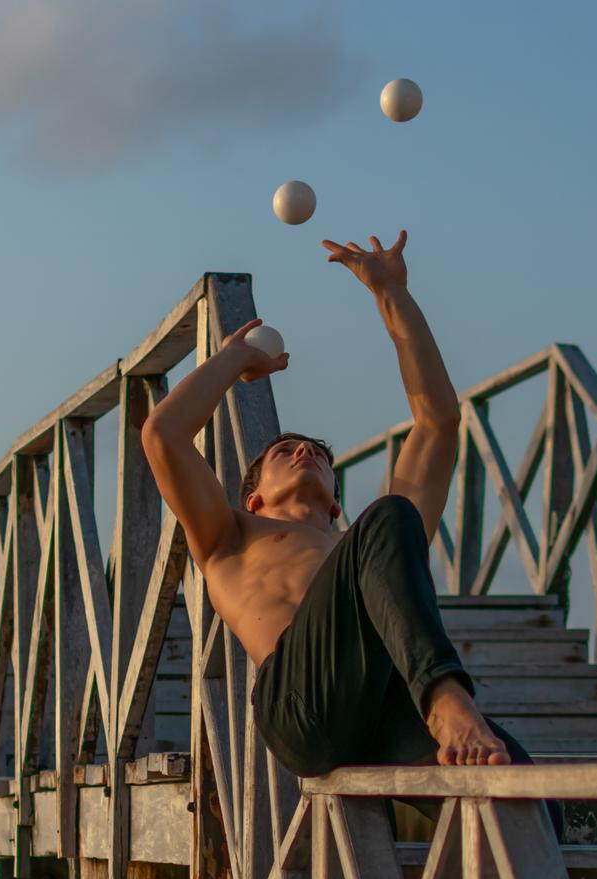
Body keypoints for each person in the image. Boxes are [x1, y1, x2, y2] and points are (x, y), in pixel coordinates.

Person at [141, 229, 561, 833]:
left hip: (382, 704)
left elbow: (438, 424)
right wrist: (236, 358)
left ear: (336, 504)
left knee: (511, 791)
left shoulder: (359, 549)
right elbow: (163, 436)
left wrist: (391, 294)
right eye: (289, 449)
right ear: (255, 495)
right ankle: (447, 699)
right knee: (393, 514)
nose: (307, 450)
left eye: (317, 452)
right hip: (303, 705)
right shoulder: (230, 536)